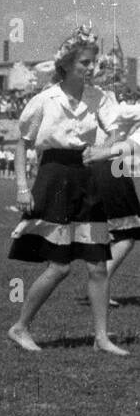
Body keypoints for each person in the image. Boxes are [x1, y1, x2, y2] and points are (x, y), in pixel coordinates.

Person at [8, 27, 127, 355]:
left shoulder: (98, 97)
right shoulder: (45, 100)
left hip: (87, 179)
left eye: (93, 62)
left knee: (97, 264)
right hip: (54, 178)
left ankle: (101, 337)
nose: (90, 68)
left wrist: (105, 150)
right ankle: (20, 327)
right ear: (67, 64)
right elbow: (23, 144)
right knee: (59, 265)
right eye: (84, 63)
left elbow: (117, 133)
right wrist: (22, 187)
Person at [85, 93, 140, 306]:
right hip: (111, 165)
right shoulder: (115, 107)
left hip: (101, 164)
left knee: (114, 232)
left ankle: (99, 284)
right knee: (127, 234)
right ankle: (99, 286)